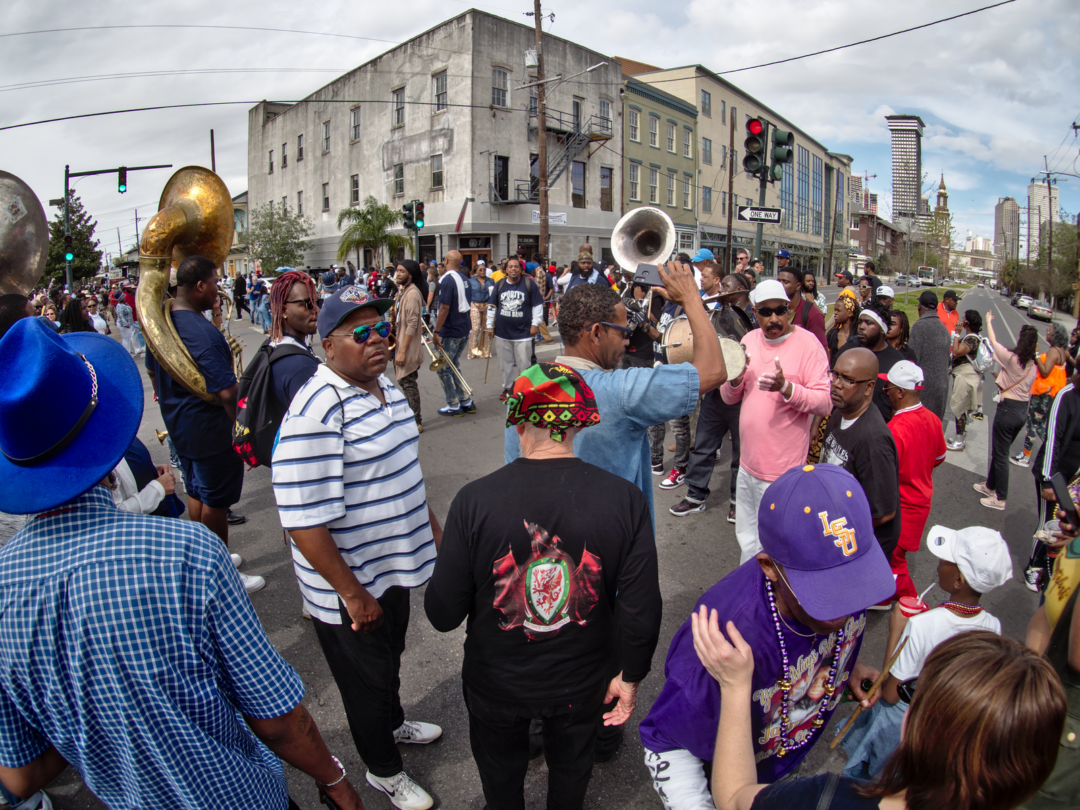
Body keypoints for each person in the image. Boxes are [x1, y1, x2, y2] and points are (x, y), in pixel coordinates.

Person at [0, 318, 365, 810]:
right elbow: (275, 718)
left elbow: (19, 777)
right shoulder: (186, 552)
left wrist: (93, 714)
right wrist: (335, 779)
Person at [426, 363, 661, 810]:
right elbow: (640, 607)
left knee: (501, 783)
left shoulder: (474, 501)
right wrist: (631, 676)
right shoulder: (623, 500)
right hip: (582, 681)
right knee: (572, 777)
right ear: (577, 423)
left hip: (497, 683)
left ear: (517, 420)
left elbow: (442, 615)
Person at [272, 287, 444, 810]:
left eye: (382, 331)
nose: (378, 342)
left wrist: (434, 537)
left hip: (391, 568)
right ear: (328, 345)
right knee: (363, 683)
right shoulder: (316, 410)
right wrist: (351, 595)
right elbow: (303, 522)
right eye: (361, 335)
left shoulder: (384, 388)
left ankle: (394, 723)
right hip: (351, 587)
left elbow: (405, 476)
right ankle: (383, 770)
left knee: (388, 660)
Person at [640, 464, 894, 810]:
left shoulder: (840, 602)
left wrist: (848, 664)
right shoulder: (726, 635)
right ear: (769, 566)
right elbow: (665, 739)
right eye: (825, 592)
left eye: (854, 580)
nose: (847, 607)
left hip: (784, 760)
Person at [693, 624, 1064, 810]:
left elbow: (736, 797)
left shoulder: (831, 798)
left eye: (914, 692)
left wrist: (737, 686)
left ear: (913, 724)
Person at [841, 523, 1011, 780]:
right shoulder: (992, 626)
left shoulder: (923, 624)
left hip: (905, 722)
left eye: (945, 560)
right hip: (946, 723)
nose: (939, 563)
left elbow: (889, 694)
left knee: (875, 781)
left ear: (959, 580)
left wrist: (896, 631)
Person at [145, 256, 261, 593]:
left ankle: (203, 559)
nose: (218, 288)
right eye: (214, 282)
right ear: (199, 286)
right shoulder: (200, 331)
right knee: (215, 500)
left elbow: (154, 372)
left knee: (196, 490)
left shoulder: (161, 324)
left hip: (181, 426)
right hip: (210, 430)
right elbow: (227, 391)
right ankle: (220, 572)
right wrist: (242, 432)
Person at [721, 279, 832, 563]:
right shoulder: (748, 341)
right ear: (755, 313)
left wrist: (787, 389)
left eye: (780, 310)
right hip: (747, 467)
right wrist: (734, 380)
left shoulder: (808, 345)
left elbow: (824, 401)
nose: (773, 319)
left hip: (783, 473)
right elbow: (729, 397)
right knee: (748, 540)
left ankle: (776, 599)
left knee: (778, 545)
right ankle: (751, 590)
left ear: (790, 311)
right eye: (765, 312)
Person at [670, 265, 750, 523]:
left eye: (726, 287)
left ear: (739, 290)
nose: (721, 290)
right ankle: (695, 495)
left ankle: (738, 501)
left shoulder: (749, 315)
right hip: (717, 392)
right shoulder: (716, 313)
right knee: (703, 444)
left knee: (740, 451)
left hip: (742, 393)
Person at [820, 347, 901, 561]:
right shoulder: (840, 412)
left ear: (869, 387)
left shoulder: (873, 440)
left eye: (847, 379)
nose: (836, 383)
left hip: (856, 550)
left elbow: (883, 513)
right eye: (835, 374)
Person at [880, 361, 946, 599]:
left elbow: (883, 477)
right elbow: (939, 457)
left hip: (901, 508)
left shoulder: (895, 429)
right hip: (920, 503)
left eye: (888, 387)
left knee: (894, 564)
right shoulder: (933, 419)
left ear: (900, 392)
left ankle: (913, 607)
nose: (884, 391)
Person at [974, 317, 1038, 510]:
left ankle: (1000, 498)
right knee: (1000, 451)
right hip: (1021, 411)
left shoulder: (1012, 358)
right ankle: (990, 486)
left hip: (1008, 410)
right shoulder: (1033, 366)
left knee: (1001, 455)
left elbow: (993, 342)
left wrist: (989, 322)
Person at [1012, 322, 1070, 468]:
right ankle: (1053, 451)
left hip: (1043, 394)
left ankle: (1025, 456)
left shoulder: (1053, 351)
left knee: (1032, 424)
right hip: (1050, 394)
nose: (1047, 332)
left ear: (1056, 334)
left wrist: (1036, 354)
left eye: (1051, 330)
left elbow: (1045, 371)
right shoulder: (1063, 351)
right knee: (1041, 427)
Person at [836, 303, 904, 423]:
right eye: (860, 322)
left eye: (868, 323)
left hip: (877, 429)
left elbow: (899, 405)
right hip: (842, 423)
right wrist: (816, 423)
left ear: (883, 330)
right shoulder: (849, 349)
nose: (861, 327)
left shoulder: (897, 362)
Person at [489, 257, 544, 401]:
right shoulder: (499, 285)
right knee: (505, 364)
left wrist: (535, 324)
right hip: (502, 333)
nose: (513, 269)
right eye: (510, 266)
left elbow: (537, 306)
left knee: (524, 364)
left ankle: (523, 389)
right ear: (506, 270)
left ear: (520, 269)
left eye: (516, 266)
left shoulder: (529, 284)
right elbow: (492, 306)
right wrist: (489, 326)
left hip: (523, 333)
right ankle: (508, 387)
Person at [266, 269, 322, 409]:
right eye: (307, 304)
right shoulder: (301, 366)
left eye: (317, 302)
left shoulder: (273, 345)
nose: (316, 310)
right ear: (284, 310)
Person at [432, 250, 476, 416]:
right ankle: (465, 400)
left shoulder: (447, 280)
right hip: (463, 327)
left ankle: (453, 403)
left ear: (446, 260)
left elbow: (444, 307)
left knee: (443, 368)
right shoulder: (465, 279)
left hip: (450, 330)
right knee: (453, 365)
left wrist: (436, 331)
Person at [393, 260, 428, 431]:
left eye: (401, 271)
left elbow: (412, 324)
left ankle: (416, 421)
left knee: (408, 383)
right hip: (400, 344)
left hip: (406, 347)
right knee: (405, 382)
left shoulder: (413, 294)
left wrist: (402, 351)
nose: (398, 274)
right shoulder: (404, 291)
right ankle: (411, 417)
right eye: (397, 271)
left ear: (411, 274)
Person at [907, 290, 952, 420]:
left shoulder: (919, 327)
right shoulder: (944, 330)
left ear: (919, 307)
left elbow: (912, 361)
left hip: (923, 391)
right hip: (941, 389)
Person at [946, 309, 984, 451]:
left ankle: (959, 440)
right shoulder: (973, 338)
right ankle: (959, 437)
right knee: (961, 406)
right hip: (964, 375)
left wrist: (957, 333)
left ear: (967, 322)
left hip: (965, 376)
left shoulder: (971, 339)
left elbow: (956, 352)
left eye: (964, 318)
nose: (961, 320)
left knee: (959, 407)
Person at [777, 265, 827, 351]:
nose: (780, 285)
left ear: (798, 286)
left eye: (785, 282)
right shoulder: (775, 310)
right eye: (778, 281)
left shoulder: (813, 315)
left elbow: (822, 350)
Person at [467, 263, 495, 358]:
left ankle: (485, 351)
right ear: (476, 271)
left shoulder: (491, 281)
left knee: (486, 329)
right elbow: (468, 294)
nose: (483, 271)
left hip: (487, 305)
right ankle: (473, 351)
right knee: (475, 329)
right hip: (475, 305)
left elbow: (494, 293)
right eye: (480, 269)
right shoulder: (471, 281)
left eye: (484, 269)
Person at [827, 295, 860, 365]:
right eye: (835, 310)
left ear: (850, 313)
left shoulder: (858, 336)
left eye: (838, 310)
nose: (835, 313)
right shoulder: (832, 334)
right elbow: (828, 358)